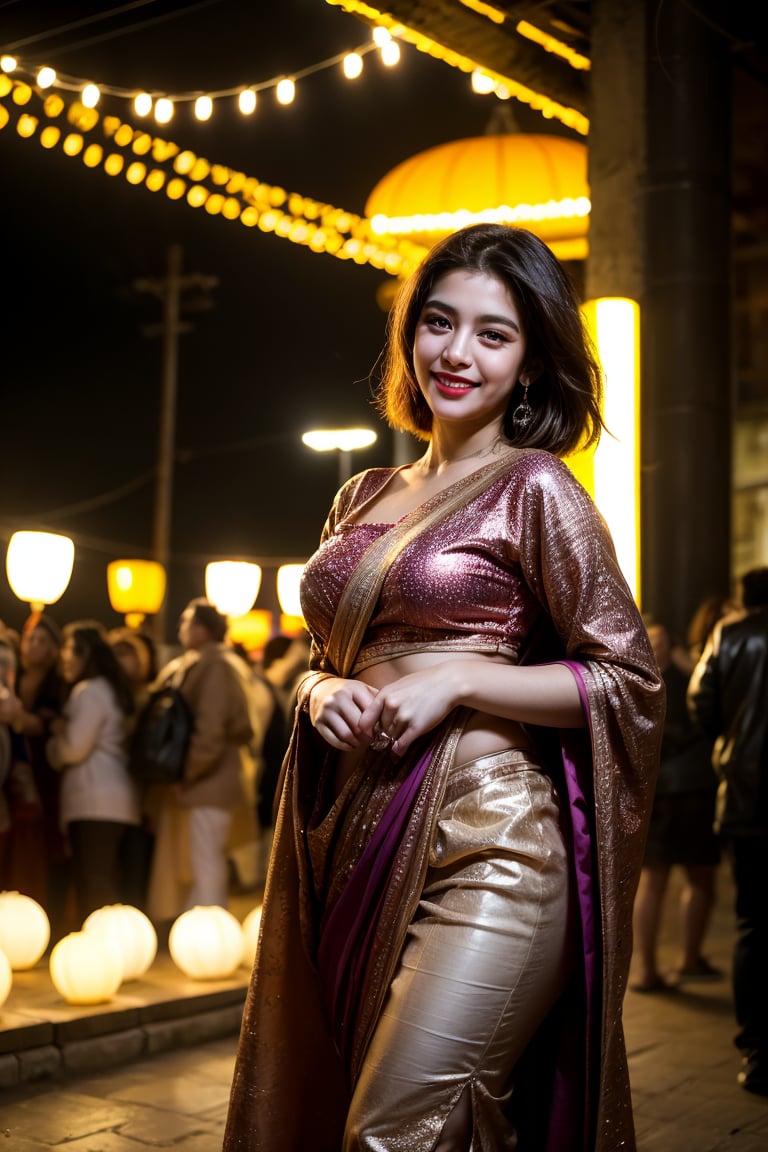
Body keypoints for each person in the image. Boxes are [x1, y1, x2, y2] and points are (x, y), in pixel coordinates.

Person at [223, 223, 665, 1152]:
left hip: (496, 847)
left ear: (535, 362)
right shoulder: (363, 496)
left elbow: (628, 676)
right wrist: (313, 695)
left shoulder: (537, 487)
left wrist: (466, 679)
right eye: (438, 322)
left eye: (493, 334)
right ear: (410, 334)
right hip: (355, 838)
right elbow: (330, 657)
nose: (456, 352)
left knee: (398, 1131)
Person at [688, 566, 768, 1097]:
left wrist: (729, 746)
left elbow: (701, 704)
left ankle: (759, 1053)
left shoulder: (731, 635)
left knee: (753, 926)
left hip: (747, 798)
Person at [145, 598, 253, 923]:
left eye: (186, 622)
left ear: (202, 629)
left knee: (205, 860)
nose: (180, 629)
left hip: (209, 782)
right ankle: (198, 927)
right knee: (198, 860)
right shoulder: (203, 663)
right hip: (204, 780)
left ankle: (208, 930)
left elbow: (211, 730)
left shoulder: (216, 666)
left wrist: (188, 773)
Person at [631, 622, 721, 992]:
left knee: (660, 881)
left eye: (662, 639)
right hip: (692, 786)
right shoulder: (684, 680)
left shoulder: (641, 683)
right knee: (693, 878)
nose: (658, 645)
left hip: (663, 789)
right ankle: (676, 963)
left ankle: (658, 968)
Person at [45, 621, 140, 922]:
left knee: (95, 880)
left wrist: (54, 741)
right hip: (110, 798)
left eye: (70, 650)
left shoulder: (89, 691)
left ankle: (105, 945)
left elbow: (74, 748)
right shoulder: (108, 689)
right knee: (101, 877)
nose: (64, 658)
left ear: (86, 654)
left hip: (95, 798)